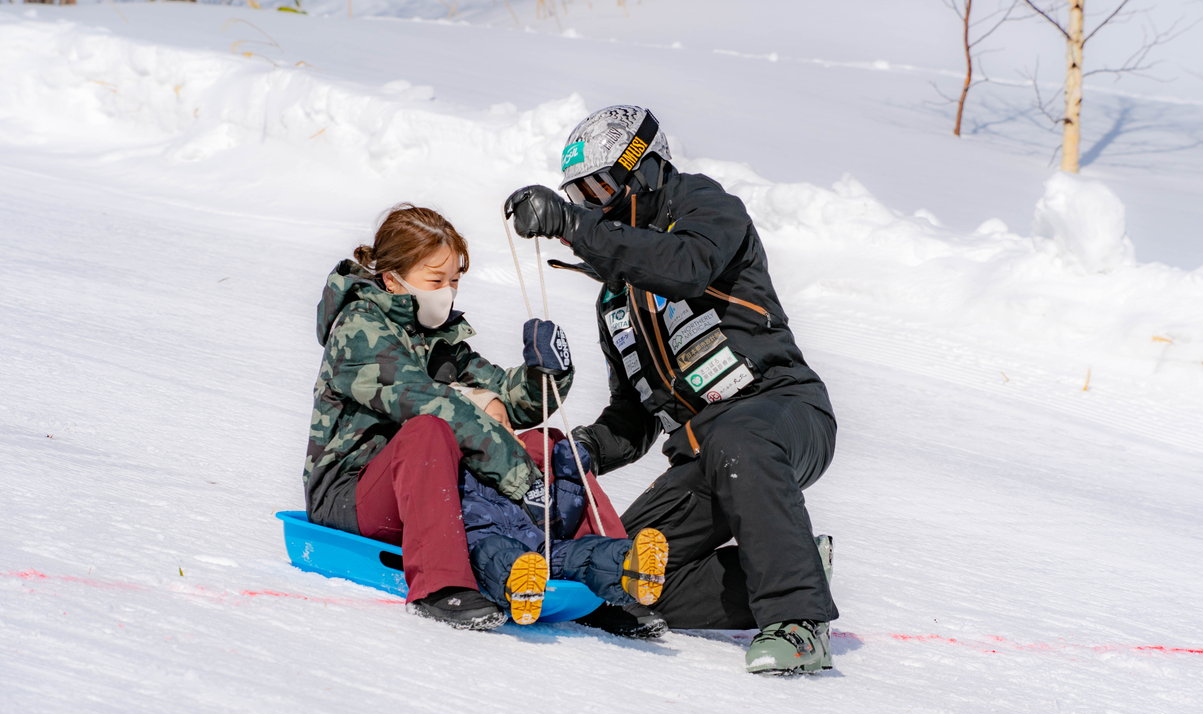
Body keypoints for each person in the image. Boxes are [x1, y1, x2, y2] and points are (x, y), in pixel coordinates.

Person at [504, 106, 839, 675]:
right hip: (703, 454)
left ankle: (800, 622)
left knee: (737, 436)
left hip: (783, 411)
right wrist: (577, 452)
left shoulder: (705, 207)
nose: (595, 204)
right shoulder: (615, 300)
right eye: (581, 196)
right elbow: (633, 420)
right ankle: (794, 557)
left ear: (646, 170)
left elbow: (685, 266)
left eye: (603, 186)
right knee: (621, 574)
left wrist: (571, 225)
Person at [304, 203, 668, 632]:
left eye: (454, 281)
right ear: (392, 278)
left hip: (425, 482)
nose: (448, 292)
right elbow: (423, 401)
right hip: (353, 493)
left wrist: (543, 375)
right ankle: (440, 585)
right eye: (435, 280)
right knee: (429, 432)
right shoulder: (358, 328)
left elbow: (506, 399)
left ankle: (608, 579)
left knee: (548, 446)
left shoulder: (436, 332)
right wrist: (518, 476)